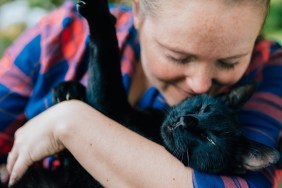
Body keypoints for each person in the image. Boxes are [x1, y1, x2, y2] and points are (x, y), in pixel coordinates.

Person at [0, 0, 281, 187]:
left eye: (229, 62)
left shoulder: (270, 71)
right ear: (137, 12)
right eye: (178, 57)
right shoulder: (59, 35)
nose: (200, 85)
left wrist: (71, 122)